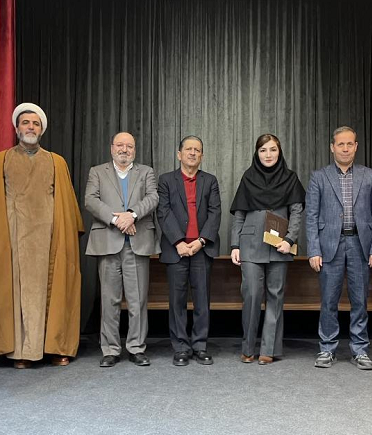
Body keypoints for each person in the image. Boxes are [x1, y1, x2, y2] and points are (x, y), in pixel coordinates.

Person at [0, 103, 85, 369]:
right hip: (13, 236)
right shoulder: (1, 160)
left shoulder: (56, 162)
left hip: (49, 236)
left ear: (41, 129)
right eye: (25, 123)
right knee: (16, 291)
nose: (30, 127)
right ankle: (19, 351)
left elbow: (67, 206)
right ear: (16, 128)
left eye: (35, 123)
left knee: (54, 288)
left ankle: (54, 346)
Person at [305, 126, 372, 370]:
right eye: (340, 144)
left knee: (360, 300)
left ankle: (360, 349)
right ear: (332, 147)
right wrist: (314, 250)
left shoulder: (369, 176)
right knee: (329, 301)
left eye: (350, 144)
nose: (345, 148)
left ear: (356, 146)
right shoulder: (319, 176)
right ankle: (327, 348)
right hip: (329, 246)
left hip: (360, 245)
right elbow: (311, 216)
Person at [84, 132, 160, 367]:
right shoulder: (97, 172)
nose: (124, 149)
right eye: (120, 145)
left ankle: (136, 347)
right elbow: (90, 200)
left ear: (134, 150)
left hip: (137, 244)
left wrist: (132, 215)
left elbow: (153, 197)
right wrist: (117, 220)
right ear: (111, 148)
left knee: (138, 301)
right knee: (109, 300)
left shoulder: (146, 172)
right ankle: (110, 349)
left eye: (129, 146)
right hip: (108, 243)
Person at [230, 133, 305, 365]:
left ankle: (269, 349)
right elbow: (239, 214)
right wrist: (235, 245)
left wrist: (290, 239)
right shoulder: (248, 177)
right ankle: (248, 347)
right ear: (257, 153)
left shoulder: (290, 178)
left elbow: (297, 212)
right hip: (250, 245)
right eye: (263, 150)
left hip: (279, 244)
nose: (268, 154)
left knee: (275, 296)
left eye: (273, 149)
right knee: (251, 295)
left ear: (279, 152)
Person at [157, 136, 221, 366]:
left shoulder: (210, 181)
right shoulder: (166, 180)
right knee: (177, 301)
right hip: (176, 249)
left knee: (202, 300)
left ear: (202, 155)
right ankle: (181, 348)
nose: (193, 153)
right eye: (188, 149)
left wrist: (201, 241)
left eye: (197, 150)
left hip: (202, 249)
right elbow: (163, 212)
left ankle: (200, 346)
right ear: (179, 154)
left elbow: (215, 212)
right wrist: (178, 242)